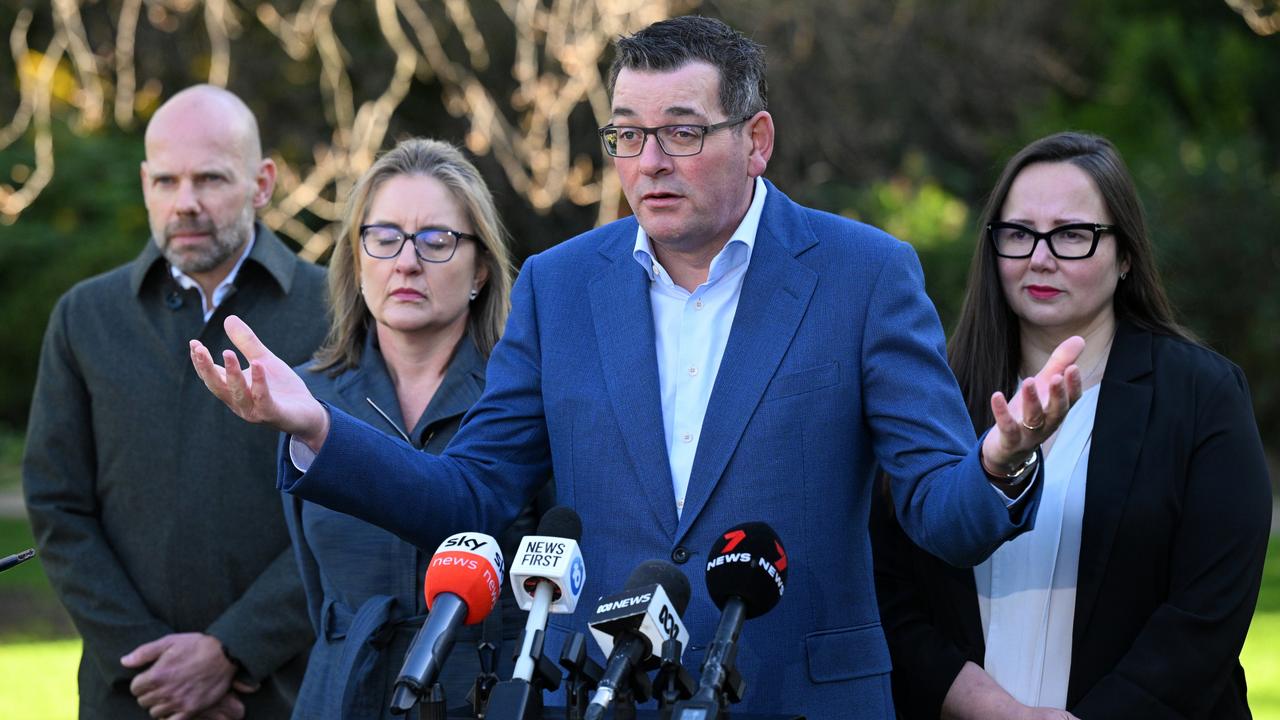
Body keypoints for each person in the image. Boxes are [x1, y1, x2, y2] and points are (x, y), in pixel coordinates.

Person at [191, 17, 1084, 719]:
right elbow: (472, 495)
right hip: (598, 697)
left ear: (757, 139)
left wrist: (1001, 462)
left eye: (682, 134)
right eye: (627, 135)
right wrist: (316, 426)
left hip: (800, 698)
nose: (648, 163)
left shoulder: (863, 275)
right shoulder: (560, 284)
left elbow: (942, 513)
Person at [870, 132, 1271, 719]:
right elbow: (890, 593)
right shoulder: (933, 394)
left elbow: (1207, 612)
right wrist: (991, 711)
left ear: (1126, 254)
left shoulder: (1202, 394)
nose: (1040, 257)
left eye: (1073, 235)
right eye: (1018, 234)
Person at [23, 85, 326, 720]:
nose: (184, 203)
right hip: (129, 696)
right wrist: (152, 666)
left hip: (285, 695)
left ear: (262, 182)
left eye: (210, 179)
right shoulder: (86, 318)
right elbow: (57, 505)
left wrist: (233, 652)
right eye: (165, 181)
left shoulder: (334, 314)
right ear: (144, 183)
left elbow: (351, 512)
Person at [284, 137, 551, 718]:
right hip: (343, 694)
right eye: (383, 239)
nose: (406, 261)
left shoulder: (523, 394)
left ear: (480, 269)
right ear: (357, 262)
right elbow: (313, 584)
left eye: (436, 240)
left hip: (484, 696)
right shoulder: (306, 397)